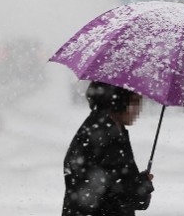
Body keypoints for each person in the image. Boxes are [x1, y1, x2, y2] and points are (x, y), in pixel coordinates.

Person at [62, 81, 154, 216]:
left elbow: (116, 184)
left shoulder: (108, 129)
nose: (139, 109)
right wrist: (141, 186)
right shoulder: (104, 136)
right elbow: (115, 192)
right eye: (135, 101)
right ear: (119, 101)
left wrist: (139, 184)